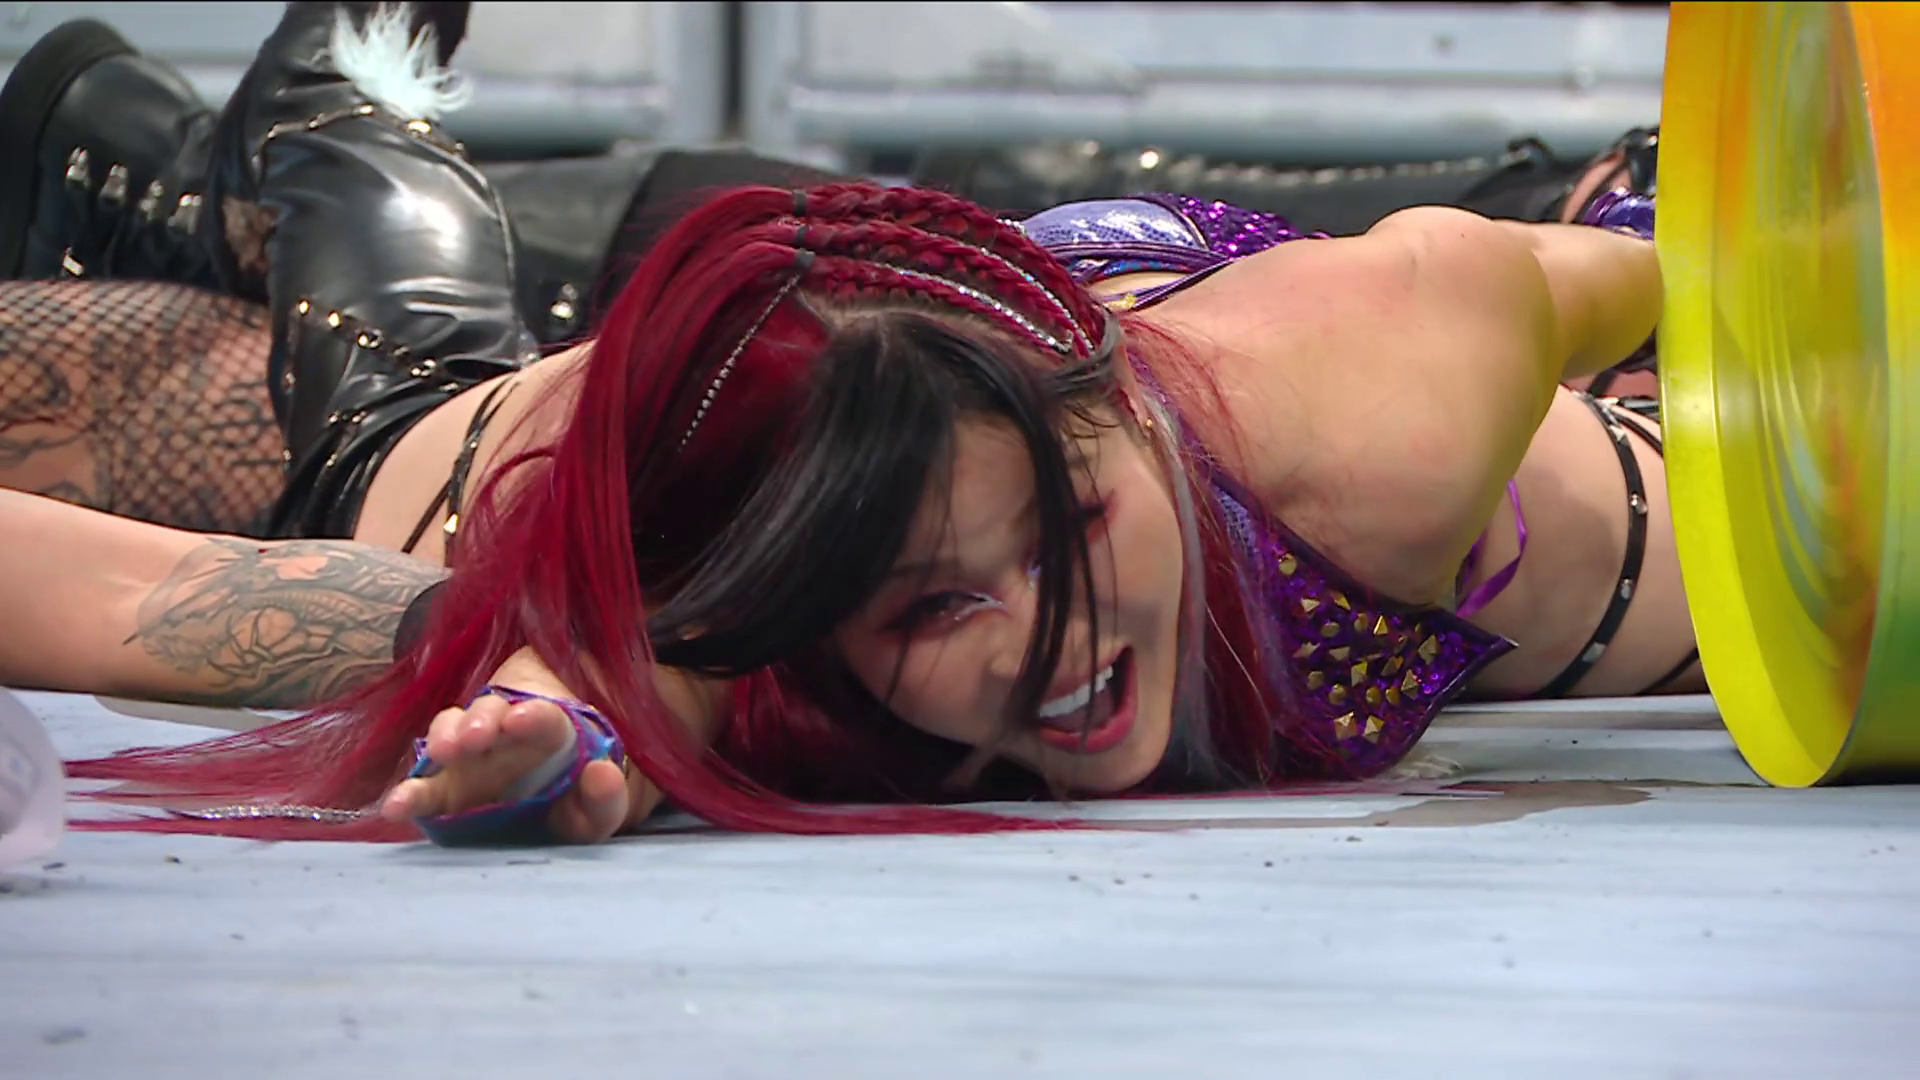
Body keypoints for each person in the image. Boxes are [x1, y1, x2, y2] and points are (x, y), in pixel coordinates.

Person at [2, 4, 1688, 844]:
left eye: (1074, 533)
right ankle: (323, 106)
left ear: (1121, 416)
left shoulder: (1397, 378)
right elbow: (127, 599)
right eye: (935, 612)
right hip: (682, 414)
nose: (1051, 638)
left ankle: (303, 108)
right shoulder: (746, 636)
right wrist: (554, 767)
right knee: (398, 427)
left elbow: (1662, 270)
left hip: (1035, 337)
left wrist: (1667, 265)